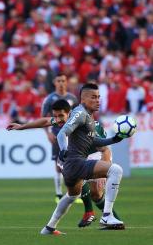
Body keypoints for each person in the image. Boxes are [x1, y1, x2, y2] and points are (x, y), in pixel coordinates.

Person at [7, 99, 120, 228]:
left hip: (97, 154)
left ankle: (111, 218)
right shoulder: (62, 121)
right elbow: (45, 121)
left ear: (70, 114)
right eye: (55, 116)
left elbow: (105, 149)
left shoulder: (87, 124)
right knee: (70, 170)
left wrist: (103, 171)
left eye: (61, 116)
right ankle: (90, 212)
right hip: (79, 156)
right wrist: (21, 127)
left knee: (96, 193)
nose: (58, 120)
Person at [39, 83, 128, 235]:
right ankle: (107, 216)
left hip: (71, 166)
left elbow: (94, 142)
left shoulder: (88, 117)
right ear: (83, 99)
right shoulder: (80, 113)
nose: (98, 100)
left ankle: (49, 228)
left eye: (99, 97)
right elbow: (62, 134)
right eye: (93, 97)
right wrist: (64, 149)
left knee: (71, 196)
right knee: (116, 170)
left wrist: (115, 139)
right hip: (76, 162)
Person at [41, 74, 78, 203]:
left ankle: (74, 193)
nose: (61, 83)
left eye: (63, 80)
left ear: (66, 82)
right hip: (57, 135)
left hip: (72, 135)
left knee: (74, 163)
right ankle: (58, 193)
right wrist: (48, 133)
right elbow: (43, 118)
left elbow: (77, 115)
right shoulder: (50, 99)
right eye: (59, 81)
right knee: (59, 164)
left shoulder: (72, 98)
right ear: (54, 82)